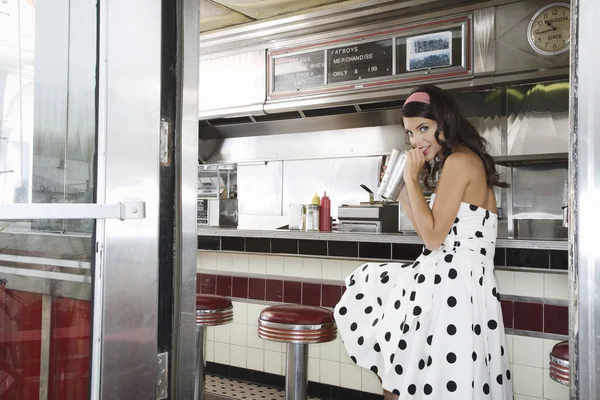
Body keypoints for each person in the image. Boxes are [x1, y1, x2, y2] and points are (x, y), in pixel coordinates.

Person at [334, 85, 513, 400]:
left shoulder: (459, 162)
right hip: (451, 285)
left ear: (444, 123)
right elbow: (427, 229)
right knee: (405, 376)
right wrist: (402, 188)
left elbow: (432, 239)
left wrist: (413, 180)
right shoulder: (460, 160)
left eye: (424, 128)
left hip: (451, 291)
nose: (416, 140)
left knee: (404, 380)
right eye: (410, 132)